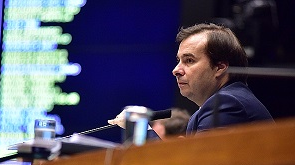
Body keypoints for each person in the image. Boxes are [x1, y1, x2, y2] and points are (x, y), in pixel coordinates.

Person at [108, 23, 273, 136]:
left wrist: (141, 130)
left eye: (189, 61)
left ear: (220, 67)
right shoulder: (223, 102)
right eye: (178, 60)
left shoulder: (227, 103)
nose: (175, 70)